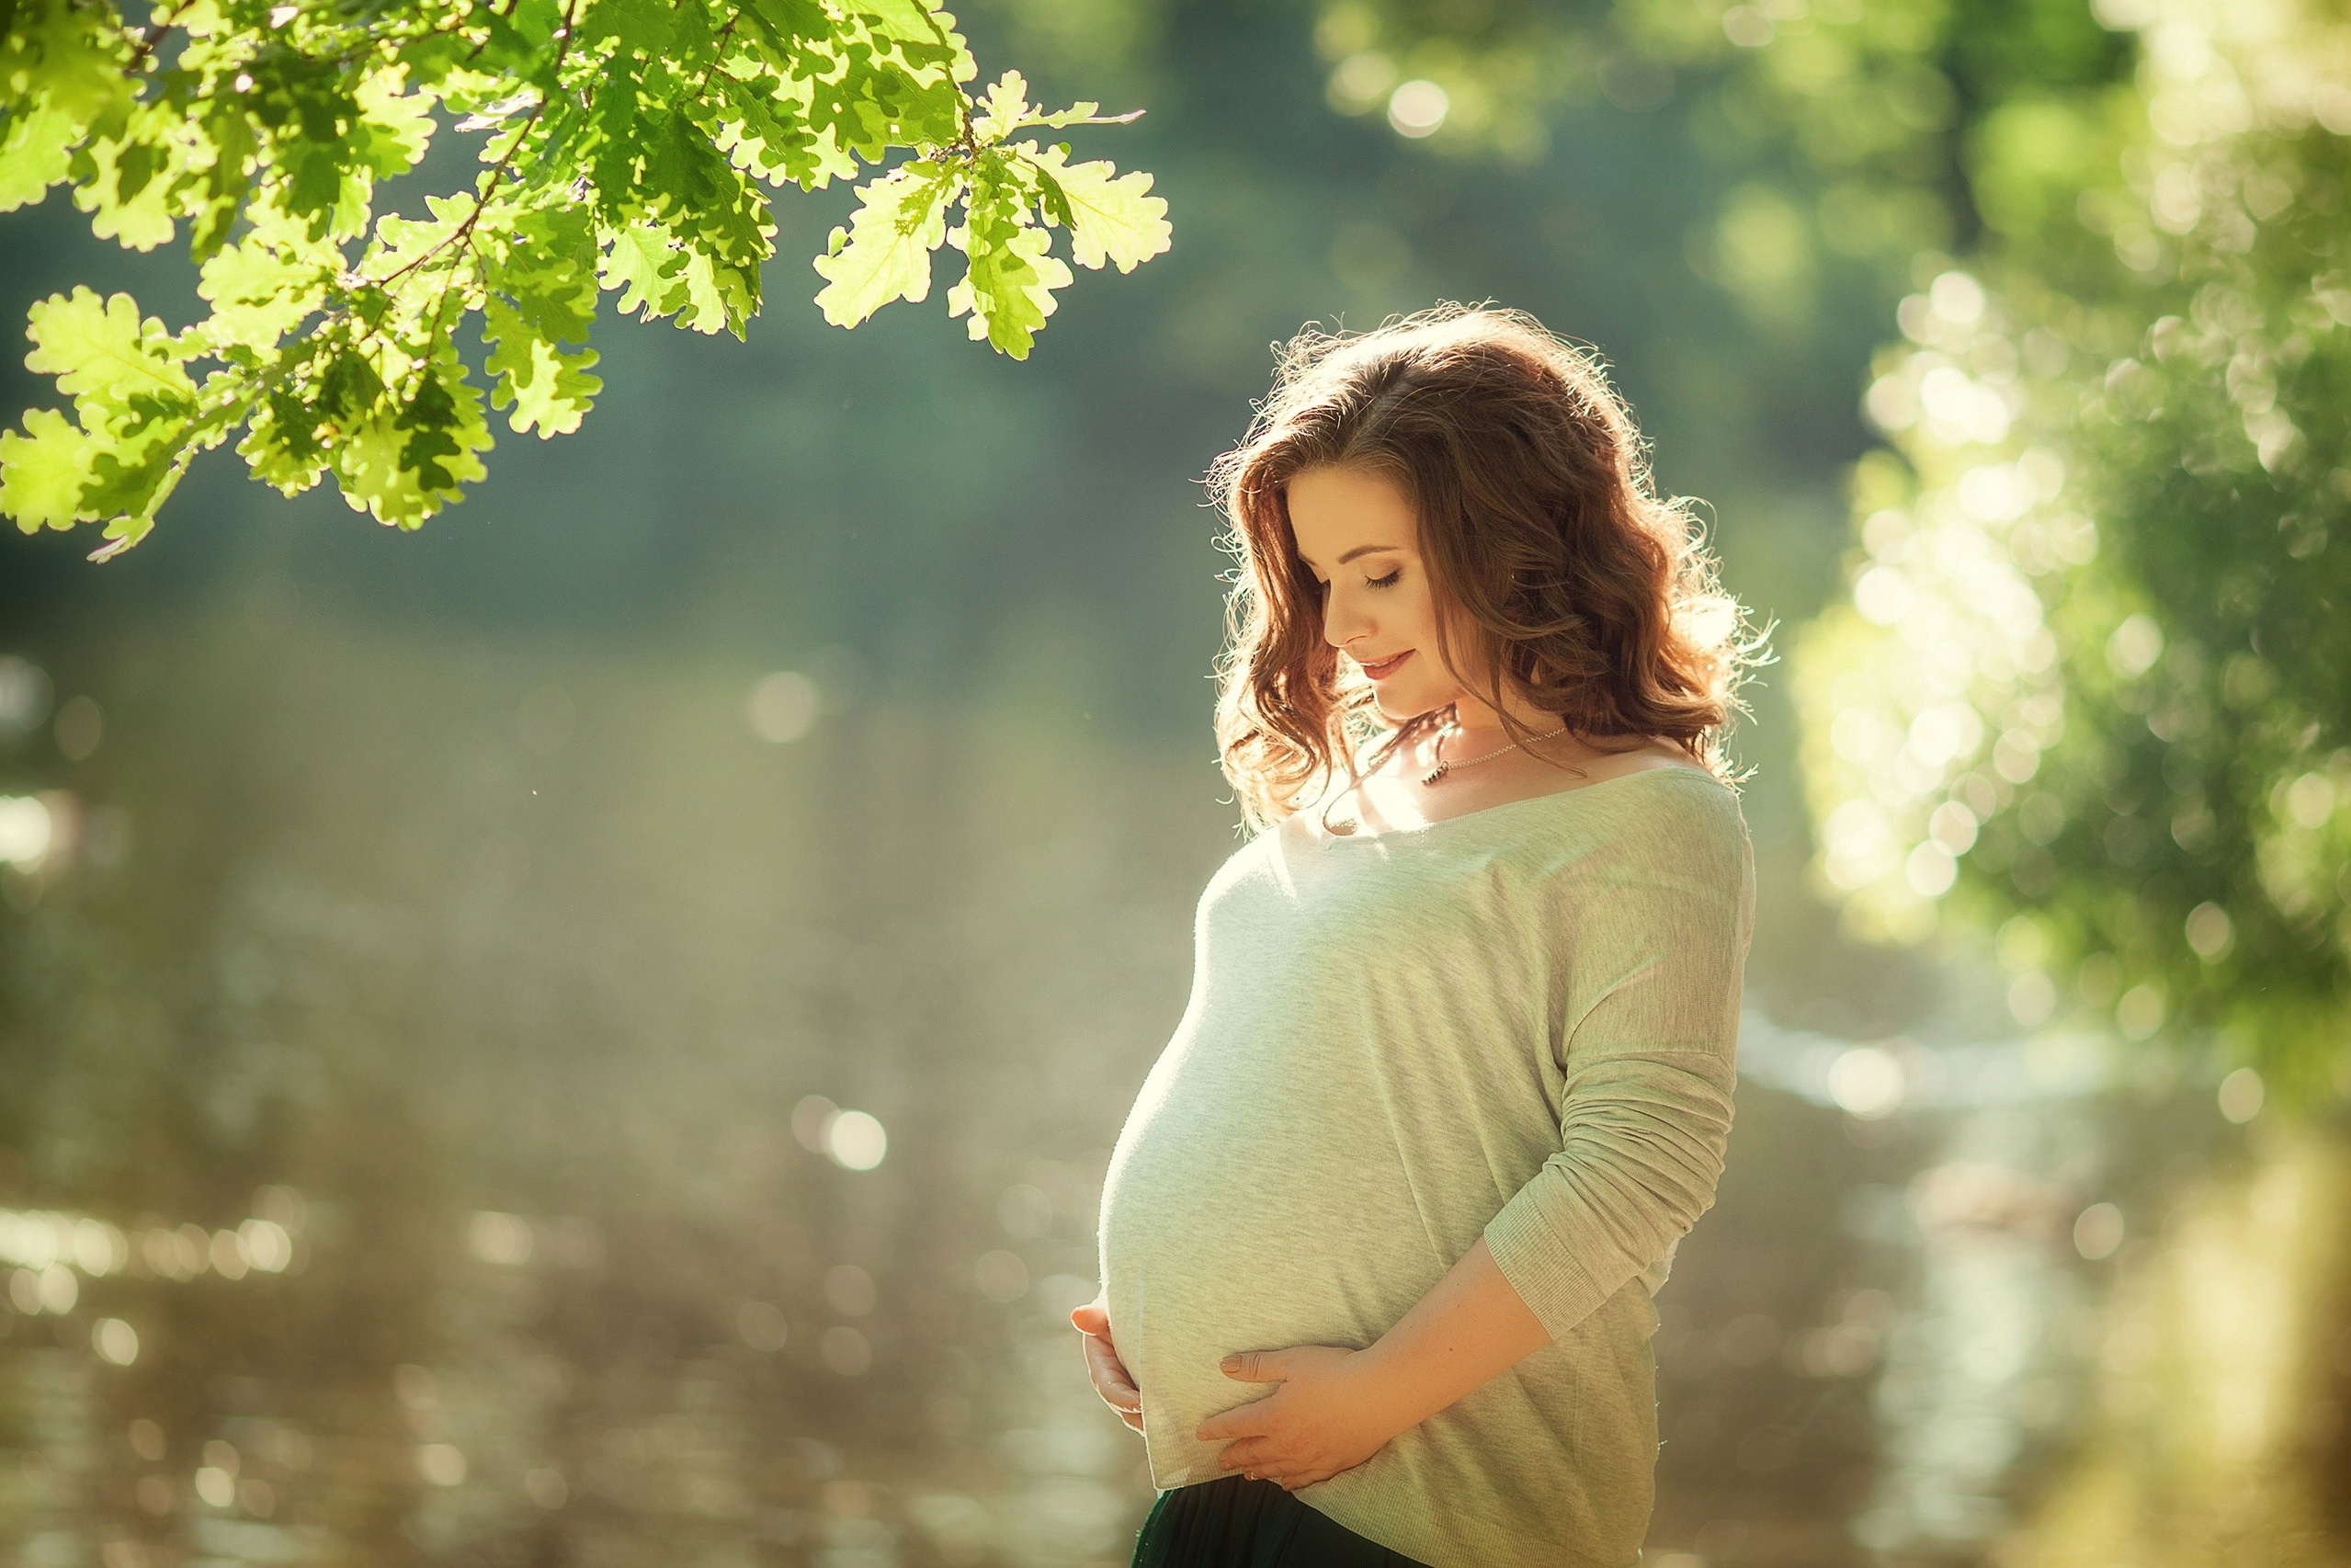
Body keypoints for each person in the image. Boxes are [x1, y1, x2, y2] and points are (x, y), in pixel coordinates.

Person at [1072, 302, 1762, 1568]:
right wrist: (1165, 1315)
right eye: (1322, 578)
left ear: (1515, 544)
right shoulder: (1366, 777)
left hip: (1423, 1511)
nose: (1337, 627)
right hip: (1233, 1481)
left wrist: (1377, 1392)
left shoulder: (1647, 814)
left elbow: (1644, 1161)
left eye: (1378, 572)